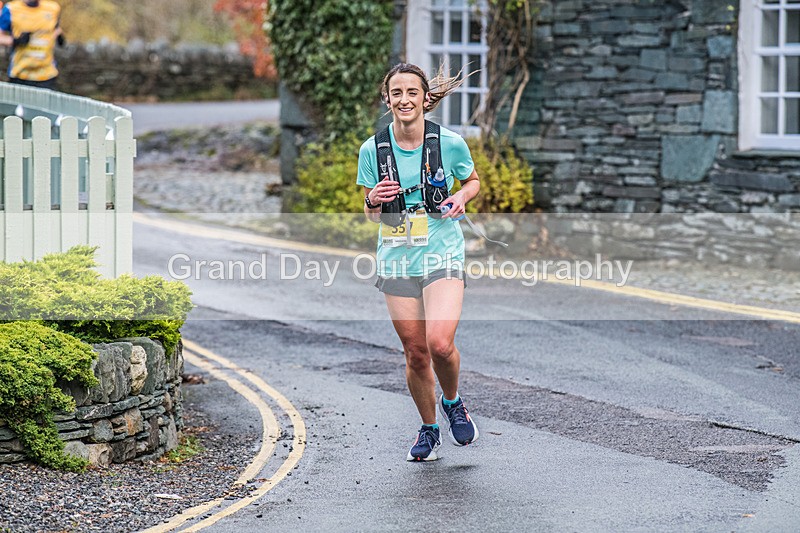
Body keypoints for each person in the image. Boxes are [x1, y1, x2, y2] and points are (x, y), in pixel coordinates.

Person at [356, 63, 481, 462]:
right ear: (387, 99)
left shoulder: (450, 143)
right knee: (415, 352)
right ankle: (429, 428)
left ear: (425, 98)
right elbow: (371, 213)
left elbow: (472, 180)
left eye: (412, 92)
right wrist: (372, 200)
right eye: (397, 93)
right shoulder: (372, 150)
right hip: (396, 255)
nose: (405, 100)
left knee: (440, 344)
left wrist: (462, 197)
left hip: (442, 248)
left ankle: (453, 402)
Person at [0, 0, 65, 90]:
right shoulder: (11, 9)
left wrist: (59, 36)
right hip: (19, 74)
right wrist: (16, 41)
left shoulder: (53, 8)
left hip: (47, 75)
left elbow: (55, 27)